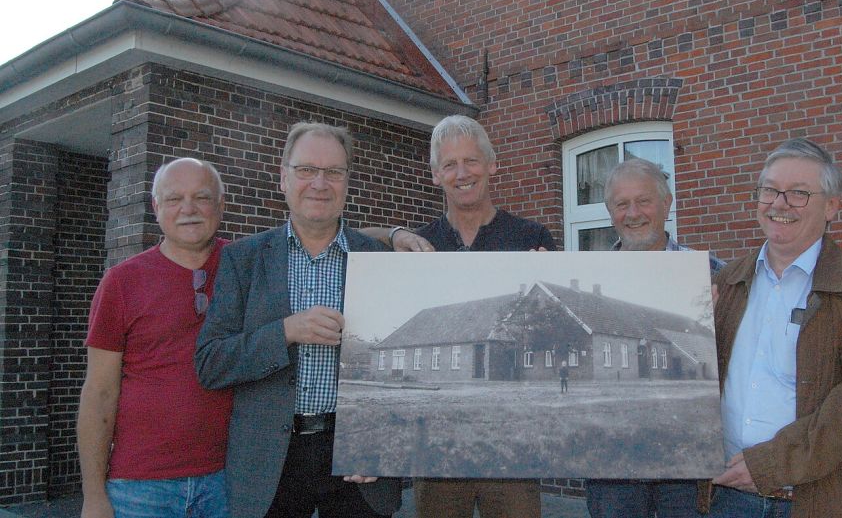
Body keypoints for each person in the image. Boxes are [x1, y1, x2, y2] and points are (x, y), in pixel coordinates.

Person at [194, 123, 401, 518]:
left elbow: (398, 367)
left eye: (334, 172)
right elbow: (210, 363)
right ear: (283, 178)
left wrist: (381, 443)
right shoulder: (244, 260)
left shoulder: (379, 260)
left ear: (346, 182)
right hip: (271, 462)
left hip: (357, 460)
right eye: (306, 170)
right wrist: (285, 332)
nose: (320, 183)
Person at [708, 138, 842, 517]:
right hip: (730, 499)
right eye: (769, 190)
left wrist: (773, 462)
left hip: (823, 499)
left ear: (832, 206)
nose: (779, 203)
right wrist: (696, 331)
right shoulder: (729, 282)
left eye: (798, 193)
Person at [368, 115, 555, 517]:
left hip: (513, 450)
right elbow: (347, 237)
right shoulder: (417, 245)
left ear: (492, 165)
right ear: (435, 175)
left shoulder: (532, 238)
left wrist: (547, 286)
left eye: (471, 161)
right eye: (449, 164)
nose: (462, 173)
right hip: (436, 452)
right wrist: (395, 233)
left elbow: (545, 330)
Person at [78, 158, 232, 518]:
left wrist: (393, 235)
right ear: (156, 208)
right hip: (140, 488)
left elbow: (314, 239)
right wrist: (94, 496)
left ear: (221, 205)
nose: (188, 209)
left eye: (202, 197)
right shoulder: (121, 282)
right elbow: (99, 393)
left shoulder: (245, 263)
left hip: (226, 481)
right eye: (174, 198)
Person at [583, 157, 725, 518]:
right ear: (609, 211)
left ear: (667, 203)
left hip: (686, 461)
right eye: (621, 204)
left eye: (643, 201)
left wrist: (717, 320)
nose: (633, 213)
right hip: (611, 462)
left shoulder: (712, 275)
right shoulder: (589, 281)